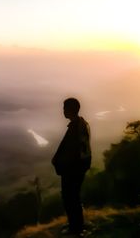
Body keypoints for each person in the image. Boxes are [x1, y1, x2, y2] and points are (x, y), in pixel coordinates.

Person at [52, 98, 91, 236]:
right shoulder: (82, 124)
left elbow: (70, 152)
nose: (62, 110)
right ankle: (76, 225)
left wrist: (59, 164)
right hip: (79, 168)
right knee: (73, 197)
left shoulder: (75, 127)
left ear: (70, 109)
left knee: (70, 198)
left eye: (64, 108)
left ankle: (76, 228)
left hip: (72, 170)